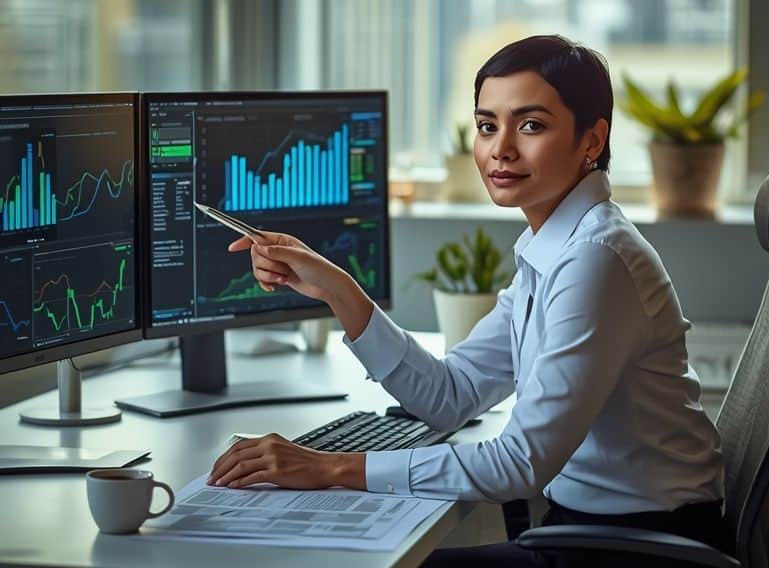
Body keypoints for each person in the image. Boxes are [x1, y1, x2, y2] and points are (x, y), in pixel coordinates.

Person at [207, 35, 728, 566]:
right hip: (590, 532)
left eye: (531, 125)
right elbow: (450, 395)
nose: (500, 148)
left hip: (643, 549)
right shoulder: (553, 248)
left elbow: (519, 463)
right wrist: (337, 288)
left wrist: (331, 467)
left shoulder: (595, 260)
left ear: (591, 140)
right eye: (486, 126)